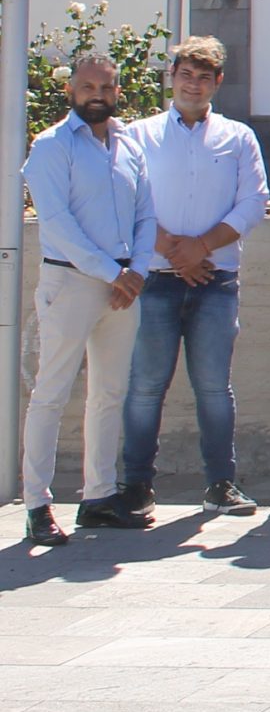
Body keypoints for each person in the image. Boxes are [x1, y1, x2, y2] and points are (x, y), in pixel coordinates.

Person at [97, 37, 270, 526]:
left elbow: (254, 201)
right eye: (186, 75)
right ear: (171, 77)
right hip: (153, 279)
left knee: (214, 387)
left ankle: (220, 484)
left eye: (204, 77)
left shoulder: (238, 137)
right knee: (146, 386)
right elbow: (124, 199)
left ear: (218, 82)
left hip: (216, 281)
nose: (194, 85)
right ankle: (136, 487)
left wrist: (202, 247)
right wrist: (175, 249)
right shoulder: (139, 134)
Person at [17, 55, 153, 546]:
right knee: (51, 393)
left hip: (123, 285)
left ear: (118, 91)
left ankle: (98, 498)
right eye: (88, 86)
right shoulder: (51, 145)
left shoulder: (129, 144)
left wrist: (136, 271)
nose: (98, 94)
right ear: (71, 90)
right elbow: (57, 224)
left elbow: (146, 214)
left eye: (107, 86)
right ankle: (37, 505)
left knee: (109, 392)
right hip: (72, 282)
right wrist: (114, 273)